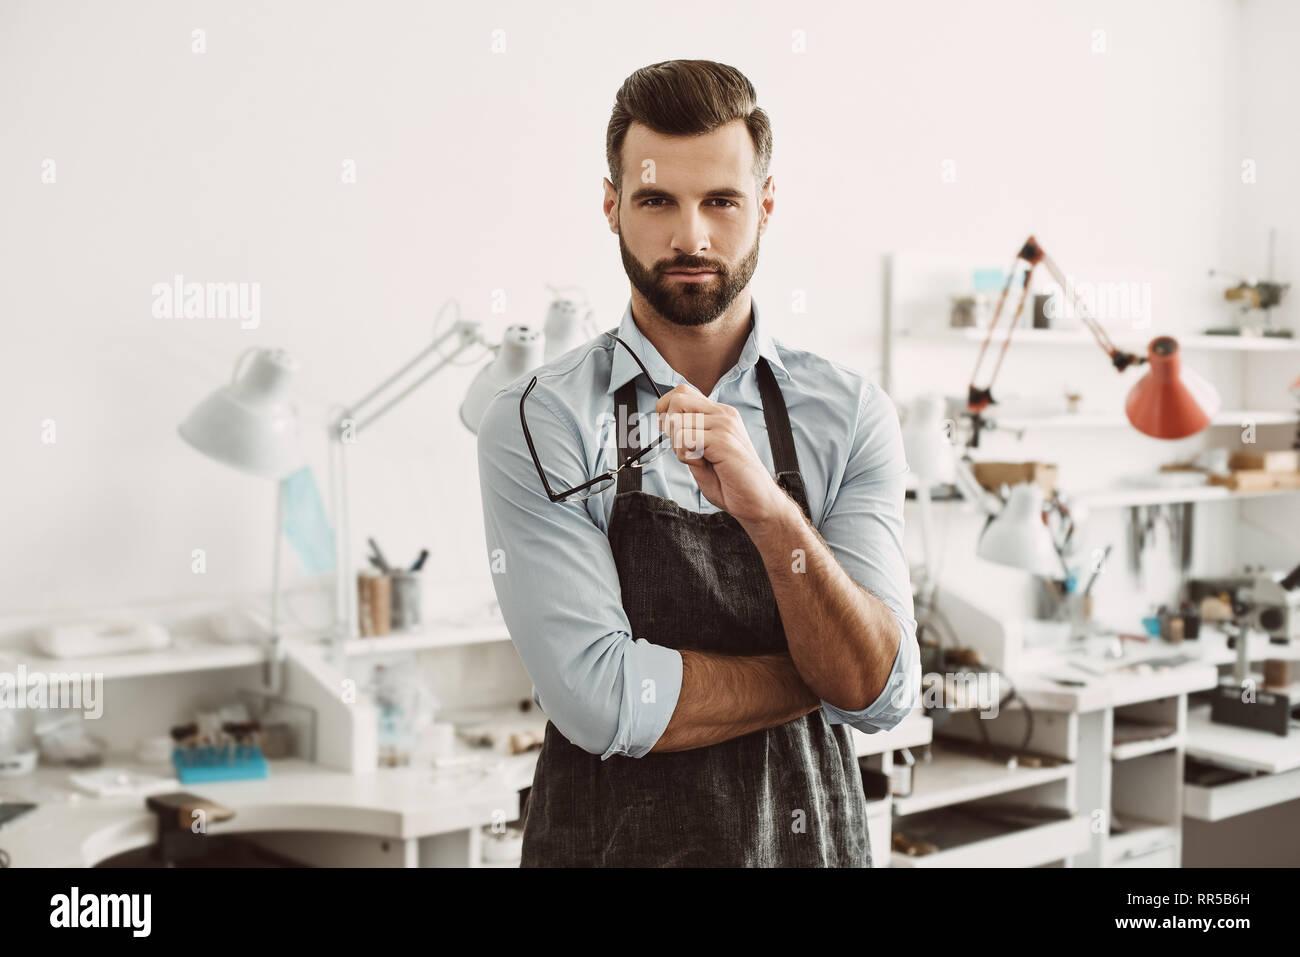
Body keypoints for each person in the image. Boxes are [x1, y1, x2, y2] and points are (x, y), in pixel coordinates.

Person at [476, 59, 920, 867]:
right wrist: (820, 675)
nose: (691, 237)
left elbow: (884, 697)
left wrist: (771, 513)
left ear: (767, 205)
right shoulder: (538, 417)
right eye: (656, 200)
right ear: (612, 206)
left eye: (721, 200)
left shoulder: (849, 414)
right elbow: (605, 697)